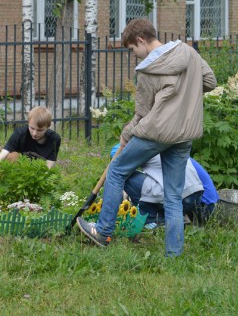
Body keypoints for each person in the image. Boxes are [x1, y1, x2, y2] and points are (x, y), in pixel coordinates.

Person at [77, 18, 216, 257]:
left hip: (157, 132)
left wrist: (125, 135)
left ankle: (103, 231)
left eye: (132, 49)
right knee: (173, 195)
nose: (135, 56)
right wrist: (185, 94)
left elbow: (141, 114)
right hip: (184, 134)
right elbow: (210, 82)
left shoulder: (148, 70)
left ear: (141, 40)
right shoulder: (189, 53)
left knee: (116, 171)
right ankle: (174, 254)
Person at [109, 144, 219, 228]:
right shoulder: (166, 145)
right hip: (201, 201)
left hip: (199, 203)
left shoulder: (133, 146)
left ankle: (155, 219)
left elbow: (117, 168)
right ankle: (175, 221)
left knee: (126, 177)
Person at [0, 106, 61, 190]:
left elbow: (49, 167)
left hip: (37, 173)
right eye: (32, 128)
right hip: (18, 170)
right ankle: (3, 186)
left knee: (53, 182)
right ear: (28, 123)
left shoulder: (54, 139)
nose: (34, 133)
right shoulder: (20, 133)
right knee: (12, 155)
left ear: (48, 126)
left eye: (40, 130)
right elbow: (0, 158)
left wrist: (39, 185)